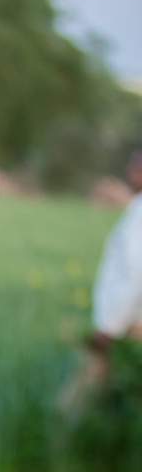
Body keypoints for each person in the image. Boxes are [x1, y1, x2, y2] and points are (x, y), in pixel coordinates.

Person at [62, 147, 142, 412]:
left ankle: (64, 442)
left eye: (138, 166)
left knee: (79, 398)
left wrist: (108, 328)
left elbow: (134, 275)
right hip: (127, 322)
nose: (132, 171)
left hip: (125, 324)